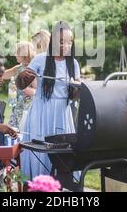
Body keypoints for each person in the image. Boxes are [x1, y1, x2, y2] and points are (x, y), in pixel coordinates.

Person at [16, 21, 81, 179]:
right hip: (41, 111)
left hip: (62, 113)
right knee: (40, 151)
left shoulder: (73, 63)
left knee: (61, 153)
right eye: (61, 41)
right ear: (52, 42)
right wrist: (22, 78)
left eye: (69, 41)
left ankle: (60, 184)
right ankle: (38, 184)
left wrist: (77, 89)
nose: (66, 46)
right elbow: (21, 83)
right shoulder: (40, 59)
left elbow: (75, 94)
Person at [2, 42, 37, 129]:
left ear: (24, 54)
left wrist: (30, 91)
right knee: (13, 131)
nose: (15, 55)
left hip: (27, 108)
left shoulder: (32, 68)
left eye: (17, 53)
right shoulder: (19, 68)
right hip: (17, 107)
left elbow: (37, 90)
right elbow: (3, 75)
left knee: (24, 131)